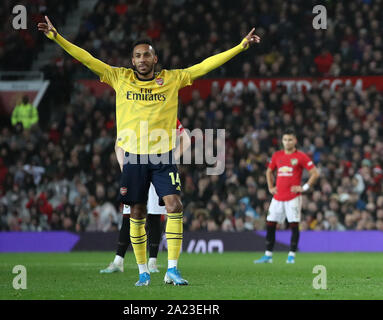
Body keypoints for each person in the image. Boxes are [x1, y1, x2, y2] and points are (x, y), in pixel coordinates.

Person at [38, 16, 260, 286]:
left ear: (155, 59)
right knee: (137, 213)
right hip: (133, 157)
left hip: (163, 157)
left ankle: (173, 269)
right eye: (138, 56)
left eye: (147, 55)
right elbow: (87, 59)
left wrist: (239, 47)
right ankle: (143, 271)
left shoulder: (172, 79)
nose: (142, 59)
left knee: (175, 205)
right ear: (133, 61)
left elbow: (205, 66)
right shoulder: (119, 77)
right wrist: (57, 38)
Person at [100, 119, 191, 274]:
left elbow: (186, 139)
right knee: (130, 214)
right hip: (139, 166)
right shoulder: (133, 115)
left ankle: (151, 262)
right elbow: (118, 144)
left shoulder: (163, 114)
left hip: (157, 168)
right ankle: (120, 260)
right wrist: (126, 169)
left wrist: (172, 159)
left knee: (154, 214)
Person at [254, 129, 319, 264]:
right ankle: (268, 255)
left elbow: (315, 173)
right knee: (270, 223)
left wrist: (304, 187)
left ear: (295, 141)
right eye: (285, 140)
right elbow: (269, 171)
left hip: (293, 197)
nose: (287, 142)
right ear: (282, 141)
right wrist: (270, 187)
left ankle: (291, 255)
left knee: (294, 225)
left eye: (290, 139)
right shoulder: (277, 155)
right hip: (278, 197)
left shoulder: (301, 156)